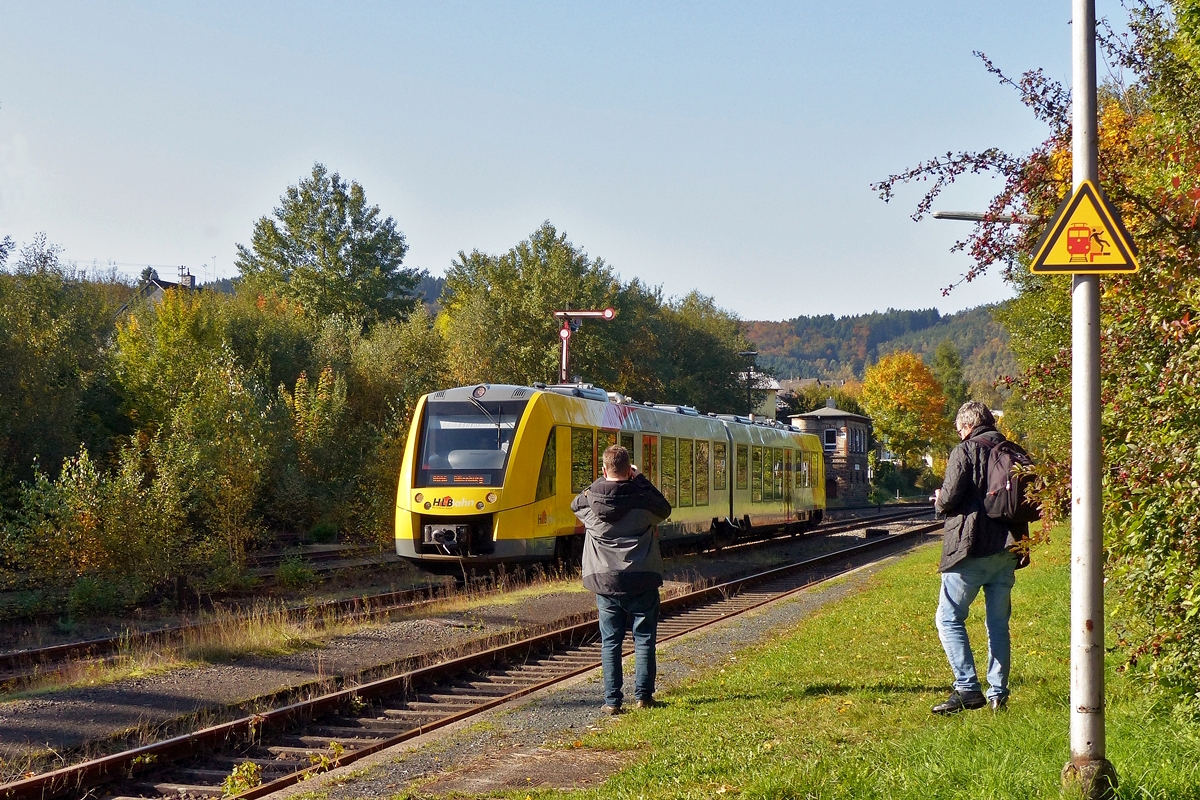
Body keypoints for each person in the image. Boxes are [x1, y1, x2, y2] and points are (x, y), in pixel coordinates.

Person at [931, 400, 1030, 714]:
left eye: (960, 428)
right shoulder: (1011, 450)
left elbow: (949, 498)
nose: (960, 433)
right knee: (998, 625)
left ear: (968, 425)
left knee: (949, 618)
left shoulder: (965, 450)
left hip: (971, 550)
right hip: (1008, 549)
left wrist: (938, 500)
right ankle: (998, 694)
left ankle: (967, 687)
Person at [572, 444, 672, 714]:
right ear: (629, 470)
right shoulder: (643, 502)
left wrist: (603, 480)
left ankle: (613, 702)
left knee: (611, 643)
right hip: (642, 580)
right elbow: (664, 507)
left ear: (604, 471)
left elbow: (576, 502)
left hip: (606, 582)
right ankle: (643, 697)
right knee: (644, 639)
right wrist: (639, 479)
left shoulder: (590, 507)